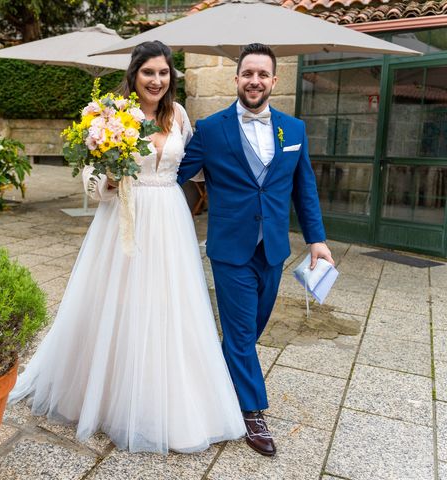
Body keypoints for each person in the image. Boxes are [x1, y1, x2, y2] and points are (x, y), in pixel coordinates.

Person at [7, 40, 246, 454]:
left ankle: (167, 398)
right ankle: (102, 391)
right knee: (115, 300)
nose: (157, 80)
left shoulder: (180, 115)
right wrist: (109, 182)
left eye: (164, 73)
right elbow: (88, 178)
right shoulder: (111, 115)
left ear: (171, 77)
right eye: (149, 72)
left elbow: (195, 164)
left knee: (169, 304)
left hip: (169, 217)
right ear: (134, 74)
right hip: (122, 217)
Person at [177, 43, 335, 457]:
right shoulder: (210, 129)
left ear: (274, 81)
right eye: (248, 73)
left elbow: (305, 189)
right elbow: (173, 176)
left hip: (274, 251)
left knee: (251, 329)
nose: (255, 81)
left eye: (262, 74)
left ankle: (216, 374)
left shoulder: (293, 130)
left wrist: (317, 239)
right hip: (230, 250)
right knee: (243, 333)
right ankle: (251, 413)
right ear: (237, 79)